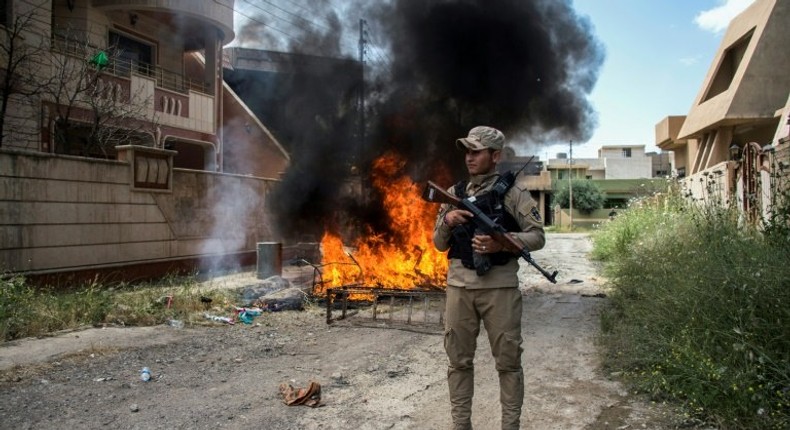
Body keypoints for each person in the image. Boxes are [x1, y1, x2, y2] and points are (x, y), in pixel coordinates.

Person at [433, 126, 546, 430]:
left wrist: (502, 242)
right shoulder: (453, 194)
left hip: (500, 289)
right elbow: (439, 244)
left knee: (508, 363)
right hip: (459, 288)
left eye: (476, 151)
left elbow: (537, 236)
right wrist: (448, 219)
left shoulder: (514, 194)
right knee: (458, 363)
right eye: (467, 151)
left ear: (495, 156)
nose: (469, 157)